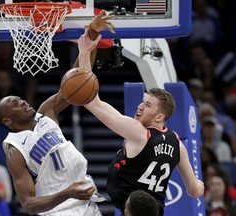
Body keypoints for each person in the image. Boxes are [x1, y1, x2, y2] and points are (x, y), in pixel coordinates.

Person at [0, 11, 115, 216]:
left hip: (85, 200)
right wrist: (67, 194)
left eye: (20, 98)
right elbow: (28, 204)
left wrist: (92, 35)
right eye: (15, 103)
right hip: (59, 210)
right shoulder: (15, 150)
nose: (22, 101)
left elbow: (78, 79)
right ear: (8, 119)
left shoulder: (46, 112)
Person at [79, 63, 204, 214]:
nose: (140, 107)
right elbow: (194, 191)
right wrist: (199, 184)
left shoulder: (140, 133)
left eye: (148, 105)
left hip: (134, 210)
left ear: (159, 117)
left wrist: (85, 51)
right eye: (142, 101)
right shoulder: (178, 143)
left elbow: (90, 101)